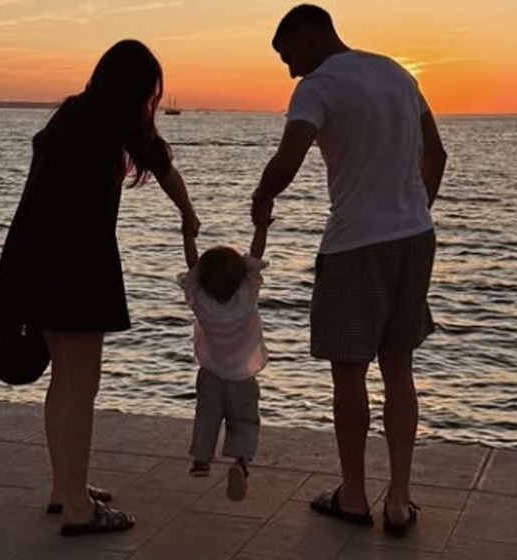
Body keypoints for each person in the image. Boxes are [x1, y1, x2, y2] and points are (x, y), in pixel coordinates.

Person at [0, 40, 200, 536]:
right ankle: (79, 509)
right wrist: (189, 217)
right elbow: (164, 168)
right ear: (137, 90)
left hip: (32, 262)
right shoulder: (113, 124)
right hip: (77, 264)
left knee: (64, 381)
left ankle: (66, 489)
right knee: (81, 385)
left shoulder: (70, 116)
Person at [250, 5, 447, 536]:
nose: (291, 70)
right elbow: (437, 155)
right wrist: (412, 212)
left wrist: (261, 198)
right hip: (415, 238)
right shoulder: (397, 73)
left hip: (354, 245)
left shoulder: (318, 86)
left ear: (309, 37)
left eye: (288, 57)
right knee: (399, 368)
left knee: (349, 372)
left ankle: (354, 496)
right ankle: (399, 501)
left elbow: (288, 160)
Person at [177, 219, 271, 501]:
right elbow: (256, 258)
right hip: (243, 375)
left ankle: (202, 460)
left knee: (207, 416)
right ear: (242, 277)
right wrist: (261, 227)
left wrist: (188, 234)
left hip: (211, 373)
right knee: (244, 421)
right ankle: (241, 462)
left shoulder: (200, 301)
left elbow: (192, 267)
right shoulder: (246, 296)